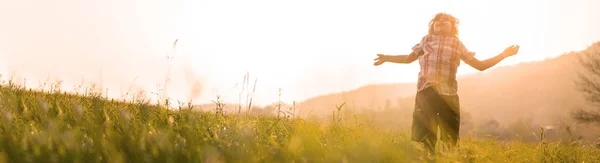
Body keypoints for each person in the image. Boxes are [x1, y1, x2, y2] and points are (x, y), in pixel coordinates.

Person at [373, 13, 520, 155]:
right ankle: (428, 158)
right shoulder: (426, 40)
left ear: (452, 26)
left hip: (448, 95)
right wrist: (387, 57)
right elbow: (407, 58)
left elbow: (480, 66)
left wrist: (503, 55)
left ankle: (449, 159)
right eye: (437, 20)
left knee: (450, 136)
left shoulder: (456, 44)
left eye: (445, 20)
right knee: (425, 134)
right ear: (433, 26)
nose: (441, 22)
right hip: (426, 92)